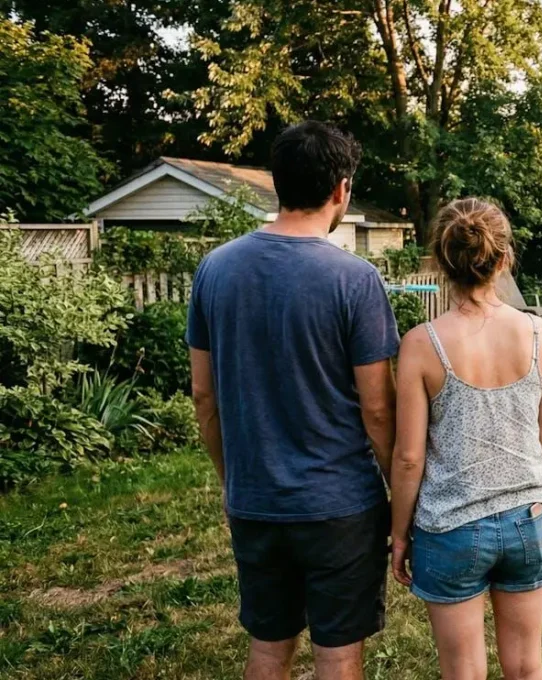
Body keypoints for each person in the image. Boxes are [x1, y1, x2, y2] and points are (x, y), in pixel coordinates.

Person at [187, 121, 399, 680]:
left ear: (277, 183)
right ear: (341, 190)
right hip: (340, 504)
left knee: (267, 644)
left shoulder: (215, 269)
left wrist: (231, 478)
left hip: (255, 498)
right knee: (337, 653)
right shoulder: (356, 280)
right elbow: (378, 410)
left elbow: (203, 395)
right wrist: (399, 490)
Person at [389, 198, 542, 680]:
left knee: (463, 672)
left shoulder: (422, 344)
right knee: (528, 667)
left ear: (441, 263)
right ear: (504, 258)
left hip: (450, 529)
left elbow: (408, 458)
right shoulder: (538, 334)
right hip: (529, 519)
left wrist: (400, 535)